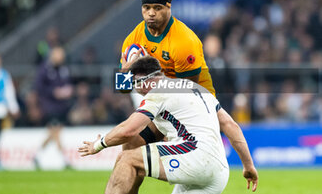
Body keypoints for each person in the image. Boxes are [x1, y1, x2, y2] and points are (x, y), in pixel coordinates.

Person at [79, 57, 258, 194]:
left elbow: (129, 130)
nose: (136, 90)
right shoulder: (196, 89)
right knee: (131, 157)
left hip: (195, 156)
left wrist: (99, 144)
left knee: (126, 159)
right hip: (218, 172)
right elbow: (230, 125)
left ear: (146, 80)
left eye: (135, 84)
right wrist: (248, 166)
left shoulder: (158, 92)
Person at [34, 46, 73, 168]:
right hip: (49, 105)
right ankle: (65, 159)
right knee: (56, 131)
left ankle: (37, 156)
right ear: (52, 55)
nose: (61, 58)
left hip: (62, 106)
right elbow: (39, 87)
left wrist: (68, 90)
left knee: (54, 132)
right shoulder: (45, 69)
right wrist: (54, 92)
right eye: (59, 55)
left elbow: (68, 82)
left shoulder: (64, 69)